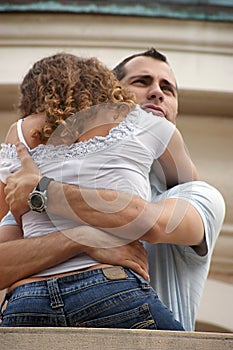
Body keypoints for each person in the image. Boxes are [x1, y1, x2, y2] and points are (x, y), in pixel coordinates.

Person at [0, 49, 225, 331]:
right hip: (114, 292)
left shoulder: (199, 196)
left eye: (168, 88)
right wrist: (81, 239)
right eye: (142, 82)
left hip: (27, 303)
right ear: (112, 91)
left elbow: (149, 220)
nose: (157, 93)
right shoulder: (26, 191)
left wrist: (42, 191)